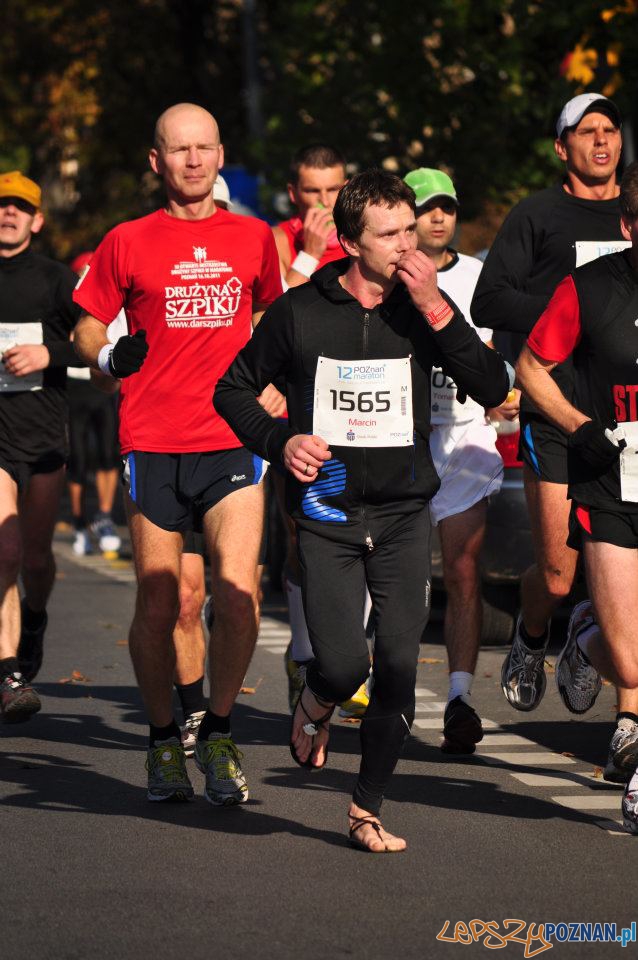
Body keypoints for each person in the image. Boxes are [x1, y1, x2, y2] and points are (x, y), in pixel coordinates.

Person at [215, 169, 510, 851]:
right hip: (328, 514)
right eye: (390, 235)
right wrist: (280, 441)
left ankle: (366, 807)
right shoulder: (301, 312)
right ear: (351, 243)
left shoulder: (424, 306)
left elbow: (493, 384)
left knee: (399, 671)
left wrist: (437, 308)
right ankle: (317, 698)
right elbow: (231, 390)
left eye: (411, 229)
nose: (409, 245)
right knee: (346, 666)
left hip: (404, 514)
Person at [73, 104, 282, 804]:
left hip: (231, 436)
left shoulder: (253, 236)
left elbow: (269, 314)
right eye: (178, 150)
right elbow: (86, 325)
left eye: (203, 148)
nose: (193, 161)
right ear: (156, 161)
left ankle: (217, 731)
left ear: (220, 155)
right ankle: (164, 738)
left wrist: (275, 380)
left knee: (238, 590)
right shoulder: (126, 240)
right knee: (165, 602)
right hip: (154, 439)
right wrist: (109, 354)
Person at [472, 92, 638, 781]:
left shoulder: (633, 202)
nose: (601, 142)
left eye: (610, 130)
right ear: (561, 146)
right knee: (560, 569)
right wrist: (579, 305)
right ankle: (535, 631)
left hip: (626, 419)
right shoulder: (539, 215)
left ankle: (624, 715)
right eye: (586, 131)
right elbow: (487, 300)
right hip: (561, 408)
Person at [515, 160, 638, 833]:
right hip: (611, 481)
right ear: (629, 227)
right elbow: (531, 368)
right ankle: (583, 637)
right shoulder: (591, 287)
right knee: (629, 652)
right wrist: (579, 427)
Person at [404, 167, 519, 753]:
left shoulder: (478, 277)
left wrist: (506, 390)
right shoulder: (388, 277)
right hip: (402, 439)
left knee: (463, 570)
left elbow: (504, 357)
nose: (438, 217)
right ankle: (379, 689)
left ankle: (459, 700)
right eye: (427, 207)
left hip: (465, 439)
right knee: (392, 579)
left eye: (447, 206)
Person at [0, 170, 81, 720]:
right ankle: (9, 674)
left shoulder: (56, 280)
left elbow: (95, 342)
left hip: (46, 436)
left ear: (37, 220)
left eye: (20, 207)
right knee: (4, 551)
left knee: (35, 558)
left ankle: (34, 617)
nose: (9, 213)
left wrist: (49, 354)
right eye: (2, 205)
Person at [66, 251, 122, 557]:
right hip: (74, 384)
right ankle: (78, 522)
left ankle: (104, 516)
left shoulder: (110, 295)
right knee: (77, 456)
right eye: (82, 273)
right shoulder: (68, 301)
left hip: (103, 383)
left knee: (108, 453)